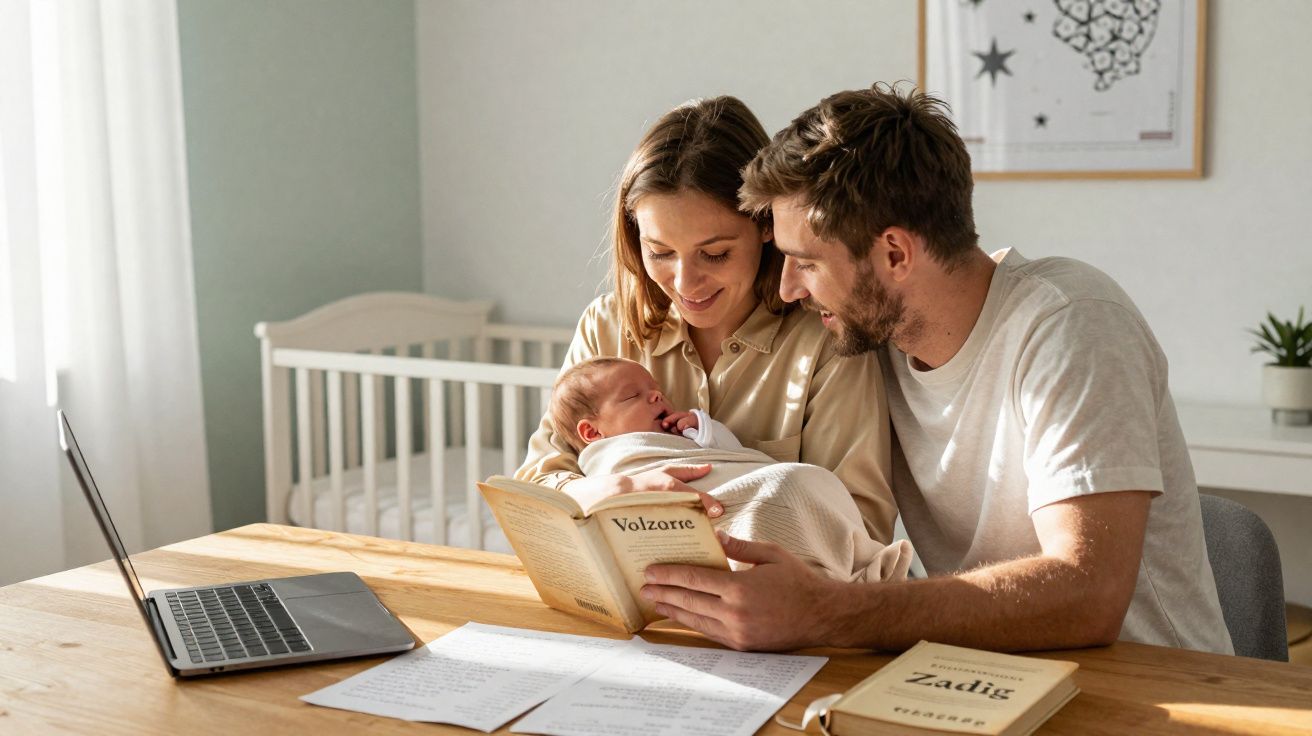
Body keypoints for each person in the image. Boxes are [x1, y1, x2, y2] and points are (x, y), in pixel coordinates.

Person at [640, 83, 1234, 656]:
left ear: (895, 253)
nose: (789, 287)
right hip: (984, 678)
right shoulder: (874, 341)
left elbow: (1088, 593)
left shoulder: (1071, 324)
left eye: (807, 264)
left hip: (1154, 687)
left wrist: (827, 610)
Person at [516, 95, 897, 545]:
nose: (685, 282)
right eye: (659, 252)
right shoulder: (606, 326)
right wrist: (603, 489)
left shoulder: (827, 339)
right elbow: (537, 488)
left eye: (715, 253)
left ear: (765, 227)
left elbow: (863, 528)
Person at [546, 356, 914, 583]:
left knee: (793, 482)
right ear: (592, 432)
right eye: (633, 396)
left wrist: (703, 429)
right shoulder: (608, 462)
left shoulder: (684, 435)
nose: (656, 396)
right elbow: (547, 489)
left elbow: (729, 459)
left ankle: (830, 576)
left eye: (655, 389)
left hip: (767, 488)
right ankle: (828, 578)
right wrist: (621, 485)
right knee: (783, 488)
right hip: (733, 510)